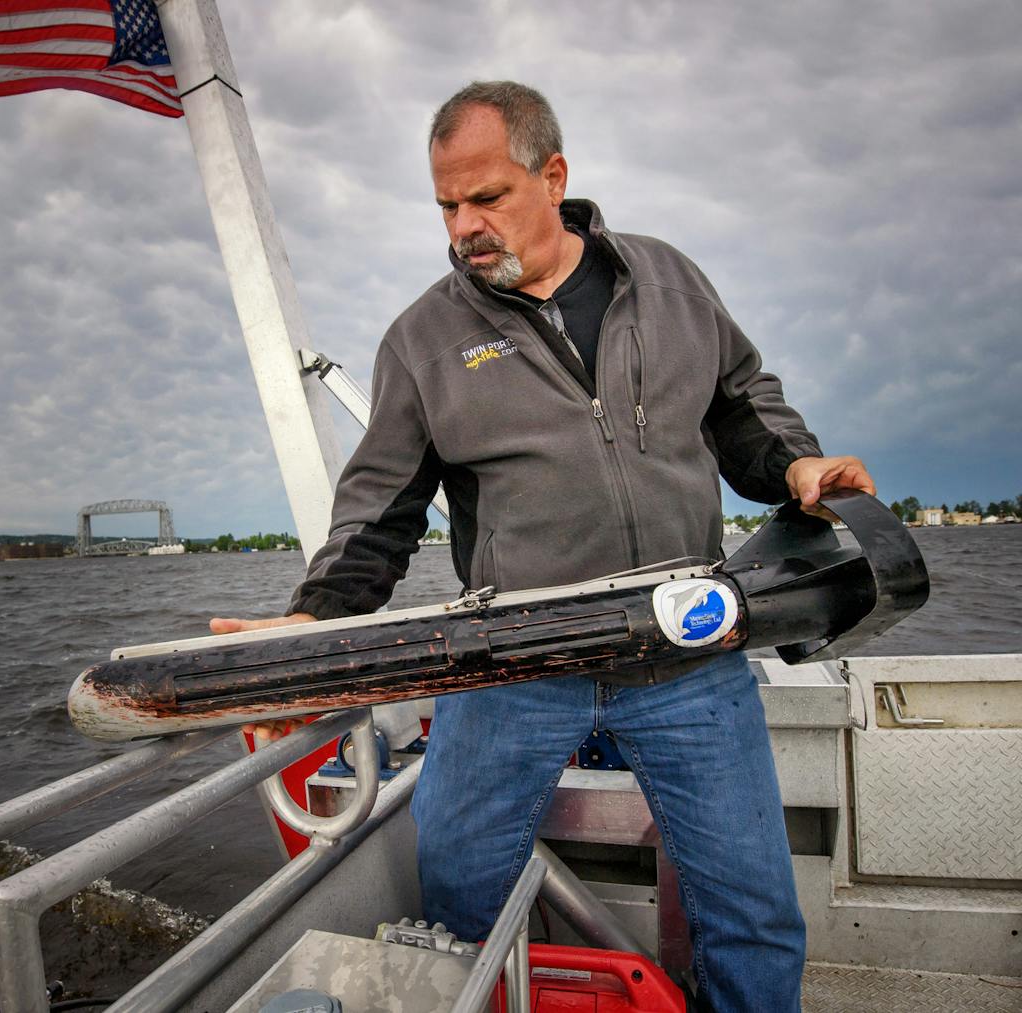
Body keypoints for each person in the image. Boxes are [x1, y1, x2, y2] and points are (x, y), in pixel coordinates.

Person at [212, 81, 875, 1013]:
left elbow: (743, 406)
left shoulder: (671, 281)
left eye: (487, 198)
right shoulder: (421, 340)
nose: (463, 225)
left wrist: (798, 467)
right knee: (457, 894)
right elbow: (378, 515)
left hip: (686, 648)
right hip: (513, 659)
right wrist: (311, 624)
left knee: (755, 911)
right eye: (446, 204)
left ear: (553, 176)